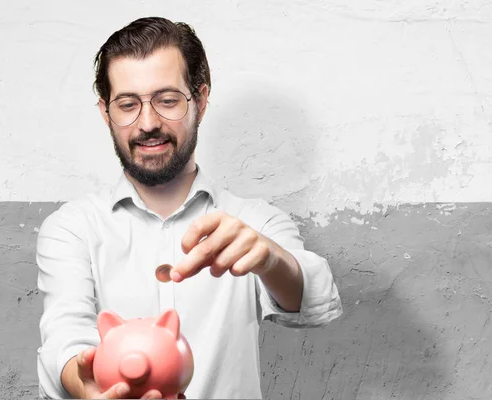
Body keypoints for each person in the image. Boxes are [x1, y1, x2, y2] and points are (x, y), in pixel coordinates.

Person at [36, 16, 343, 399]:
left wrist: (269, 259)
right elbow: (63, 337)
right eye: (128, 104)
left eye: (167, 101)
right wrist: (86, 387)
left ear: (199, 100)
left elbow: (314, 300)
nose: (148, 123)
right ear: (105, 112)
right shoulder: (72, 228)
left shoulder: (251, 221)